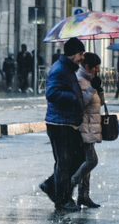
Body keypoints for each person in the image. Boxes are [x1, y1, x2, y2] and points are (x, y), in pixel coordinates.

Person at [39, 37, 86, 212]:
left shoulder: (69, 69)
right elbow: (52, 94)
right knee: (64, 161)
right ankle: (62, 200)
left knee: (78, 158)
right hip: (59, 123)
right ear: (73, 54)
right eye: (81, 54)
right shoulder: (59, 70)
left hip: (67, 122)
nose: (83, 57)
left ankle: (52, 186)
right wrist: (75, 98)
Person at [73, 52, 104, 208]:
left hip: (91, 126)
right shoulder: (79, 80)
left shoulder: (92, 80)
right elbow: (80, 104)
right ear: (87, 67)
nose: (97, 71)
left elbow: (102, 103)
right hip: (83, 128)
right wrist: (92, 88)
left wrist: (100, 88)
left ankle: (83, 196)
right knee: (92, 161)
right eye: (95, 68)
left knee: (86, 162)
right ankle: (71, 182)